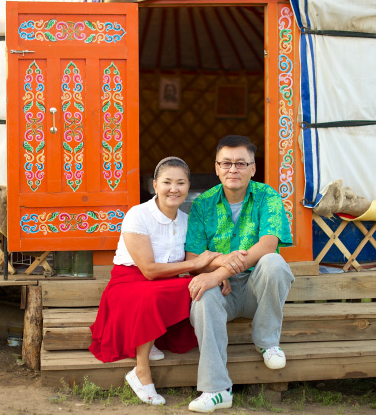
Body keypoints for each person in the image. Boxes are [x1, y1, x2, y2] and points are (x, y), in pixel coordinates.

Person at [89, 156, 223, 406]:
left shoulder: (187, 221)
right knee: (153, 294)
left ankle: (151, 340)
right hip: (129, 283)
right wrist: (196, 265)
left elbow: (196, 261)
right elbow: (149, 270)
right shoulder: (138, 215)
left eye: (181, 183)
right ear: (155, 185)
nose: (174, 189)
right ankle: (141, 371)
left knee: (197, 286)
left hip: (165, 282)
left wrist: (215, 274)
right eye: (167, 182)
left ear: (188, 186)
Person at [184, 135, 295, 413]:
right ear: (217, 167)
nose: (233, 169)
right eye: (226, 163)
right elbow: (193, 259)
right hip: (224, 293)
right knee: (201, 294)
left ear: (253, 168)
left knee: (275, 263)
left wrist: (217, 271)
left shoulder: (268, 196)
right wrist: (218, 271)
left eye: (241, 163)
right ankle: (217, 390)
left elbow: (268, 245)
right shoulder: (202, 205)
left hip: (258, 286)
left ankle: (267, 342)